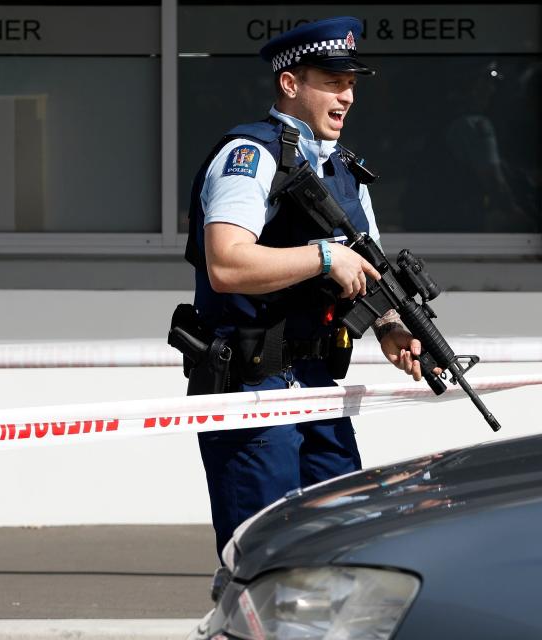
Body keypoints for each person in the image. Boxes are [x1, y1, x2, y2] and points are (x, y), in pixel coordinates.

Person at [183, 16, 429, 558]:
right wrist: (324, 257)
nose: (348, 96)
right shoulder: (250, 156)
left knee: (344, 545)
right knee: (265, 555)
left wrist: (391, 327)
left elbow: (365, 271)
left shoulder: (343, 169)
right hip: (251, 380)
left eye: (352, 85)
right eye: (334, 82)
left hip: (318, 381)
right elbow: (226, 263)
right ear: (291, 85)